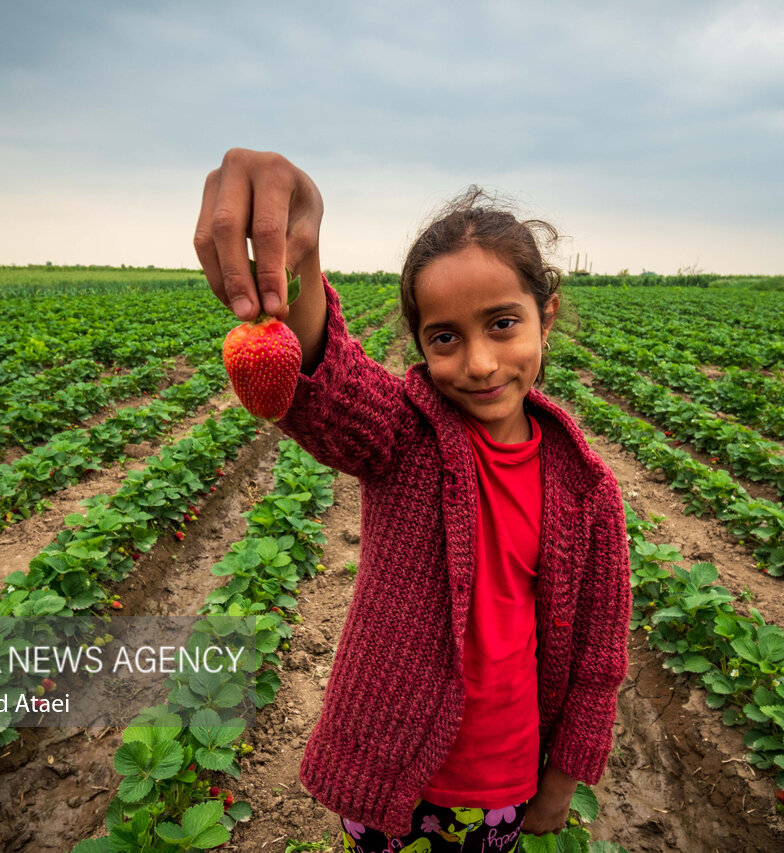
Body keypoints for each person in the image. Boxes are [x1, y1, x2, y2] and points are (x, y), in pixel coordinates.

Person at [194, 149, 631, 851]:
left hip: (506, 781)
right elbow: (328, 383)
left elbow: (598, 656)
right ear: (421, 346)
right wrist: (297, 248)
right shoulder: (406, 438)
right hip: (389, 770)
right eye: (445, 337)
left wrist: (563, 777)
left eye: (502, 323)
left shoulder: (587, 492)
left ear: (546, 316)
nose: (480, 362)